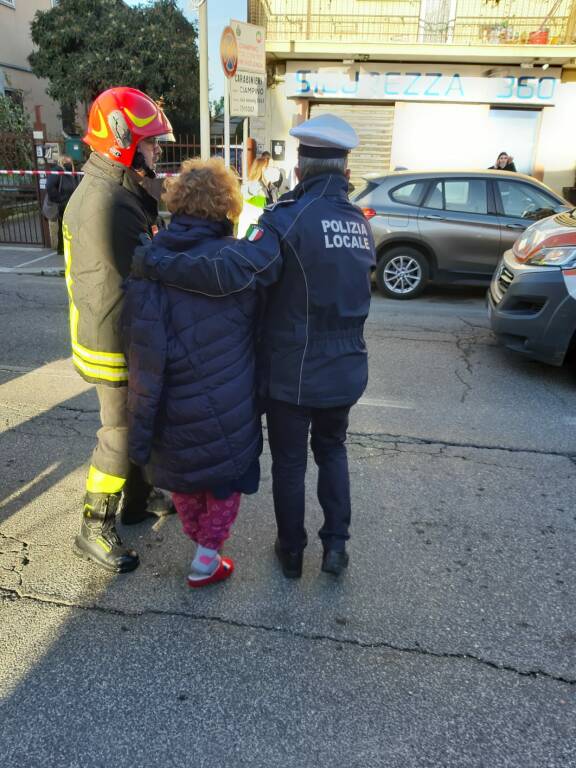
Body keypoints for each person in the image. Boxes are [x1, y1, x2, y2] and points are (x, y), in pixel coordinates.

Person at [133, 113, 376, 579]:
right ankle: (336, 548)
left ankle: (291, 553)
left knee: (290, 462)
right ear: (345, 171)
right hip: (347, 369)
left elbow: (233, 272)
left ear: (301, 169)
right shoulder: (358, 223)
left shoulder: (288, 219)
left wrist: (162, 266)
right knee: (333, 451)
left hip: (293, 372)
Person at [122, 158, 262, 587]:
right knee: (223, 478)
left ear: (178, 200)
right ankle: (206, 555)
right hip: (230, 395)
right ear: (226, 205)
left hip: (171, 395)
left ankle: (198, 539)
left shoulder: (150, 260)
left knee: (183, 475)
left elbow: (137, 340)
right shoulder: (238, 263)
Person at [62, 86, 175, 574]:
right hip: (112, 339)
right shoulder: (105, 202)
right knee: (120, 433)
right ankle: (95, 523)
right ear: (122, 139)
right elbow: (144, 269)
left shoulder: (118, 190)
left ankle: (137, 499)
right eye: (149, 143)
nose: (155, 151)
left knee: (141, 422)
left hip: (122, 331)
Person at [45, 155, 79, 255]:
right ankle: (62, 248)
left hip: (71, 203)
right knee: (64, 227)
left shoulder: (71, 173)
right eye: (65, 162)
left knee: (69, 226)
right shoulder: (57, 172)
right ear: (61, 162)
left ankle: (68, 247)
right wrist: (59, 199)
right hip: (62, 204)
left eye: (69, 162)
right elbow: (50, 186)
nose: (68, 164)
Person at [237, 156, 271, 237]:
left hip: (252, 232)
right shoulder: (256, 187)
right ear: (262, 169)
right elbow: (261, 214)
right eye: (270, 168)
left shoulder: (265, 188)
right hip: (251, 233)